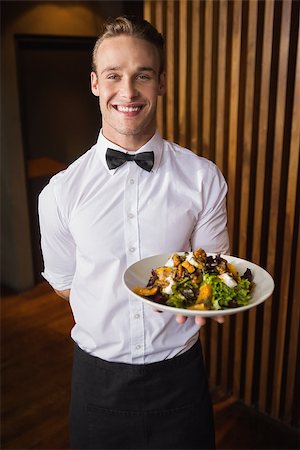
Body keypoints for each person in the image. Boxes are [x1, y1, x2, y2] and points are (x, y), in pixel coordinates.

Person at [38, 15, 229, 450]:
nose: (127, 92)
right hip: (96, 383)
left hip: (180, 377)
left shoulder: (203, 178)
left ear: (160, 82)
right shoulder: (59, 192)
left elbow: (211, 271)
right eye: (113, 77)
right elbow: (66, 285)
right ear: (94, 84)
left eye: (142, 75)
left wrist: (201, 295)